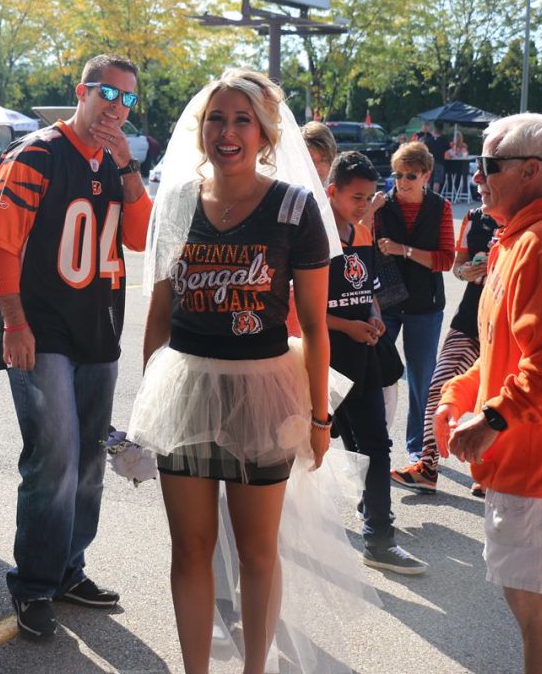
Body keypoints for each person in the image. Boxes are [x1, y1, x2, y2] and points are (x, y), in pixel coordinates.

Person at [128, 68, 372, 674]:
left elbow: (315, 327)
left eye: (242, 120)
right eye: (217, 118)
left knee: (259, 551)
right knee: (190, 550)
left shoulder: (294, 208)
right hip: (184, 389)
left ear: (265, 135)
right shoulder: (179, 200)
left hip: (265, 391)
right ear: (200, 128)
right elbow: (159, 311)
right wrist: (145, 404)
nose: (227, 131)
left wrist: (320, 417)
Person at [0, 53, 153, 639]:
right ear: (81, 91)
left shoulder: (116, 162)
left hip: (98, 332)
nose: (116, 105)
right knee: (53, 458)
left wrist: (129, 167)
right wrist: (14, 323)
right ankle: (33, 582)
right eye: (107, 91)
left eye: (128, 98)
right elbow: (1, 243)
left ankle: (68, 569)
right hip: (44, 330)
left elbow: (138, 237)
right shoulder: (36, 152)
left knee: (87, 463)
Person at [437, 112, 542, 674]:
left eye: (488, 165)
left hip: (541, 456)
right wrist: (461, 394)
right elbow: (504, 347)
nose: (477, 177)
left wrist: (492, 416)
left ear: (530, 171)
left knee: (536, 606)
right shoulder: (529, 237)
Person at [323, 151, 428, 574]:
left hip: (361, 356)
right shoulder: (313, 234)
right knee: (299, 449)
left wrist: (374, 317)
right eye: (355, 197)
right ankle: (268, 530)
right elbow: (301, 307)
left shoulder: (363, 234)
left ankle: (379, 538)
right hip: (319, 359)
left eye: (369, 197)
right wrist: (344, 328)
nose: (364, 205)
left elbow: (366, 290)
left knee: (376, 446)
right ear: (331, 192)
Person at [391, 204, 499, 496]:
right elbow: (458, 267)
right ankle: (427, 466)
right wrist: (467, 271)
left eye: (489, 171)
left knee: (497, 397)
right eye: (480, 173)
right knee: (439, 386)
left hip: (506, 326)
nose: (479, 180)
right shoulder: (475, 217)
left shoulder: (527, 220)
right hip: (469, 320)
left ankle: (492, 471)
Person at [373, 141, 455, 461]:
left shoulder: (441, 207)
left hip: (425, 304)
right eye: (397, 175)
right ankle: (374, 444)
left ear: (426, 175)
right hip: (387, 301)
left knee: (422, 380)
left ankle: (418, 449)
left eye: (410, 175)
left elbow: (445, 260)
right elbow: (357, 239)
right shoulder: (382, 205)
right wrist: (370, 210)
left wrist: (402, 249)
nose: (403, 182)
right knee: (376, 373)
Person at [423, 123, 451, 194]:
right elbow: (450, 152)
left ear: (434, 130)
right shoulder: (444, 140)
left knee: (428, 179)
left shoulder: (427, 140)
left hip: (429, 162)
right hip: (439, 162)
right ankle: (435, 196)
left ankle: (427, 195)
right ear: (441, 130)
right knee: (437, 181)